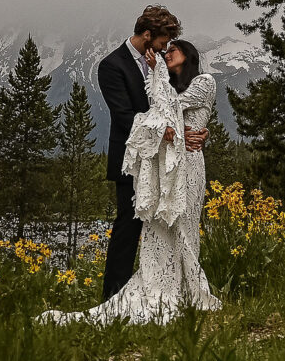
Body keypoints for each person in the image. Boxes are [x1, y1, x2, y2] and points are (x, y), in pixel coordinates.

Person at [39, 34, 221, 325]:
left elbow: (172, 108)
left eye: (174, 50)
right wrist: (161, 83)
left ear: (189, 56)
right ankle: (164, 287)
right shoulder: (152, 79)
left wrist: (158, 76)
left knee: (186, 224)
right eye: (166, 48)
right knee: (162, 226)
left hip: (189, 166)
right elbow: (156, 115)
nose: (167, 53)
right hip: (165, 165)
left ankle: (191, 290)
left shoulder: (204, 81)